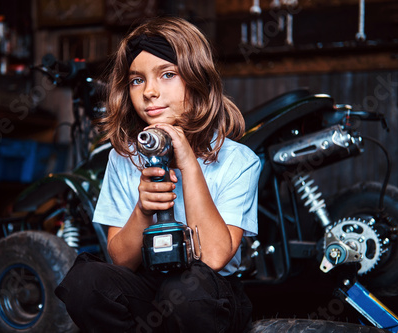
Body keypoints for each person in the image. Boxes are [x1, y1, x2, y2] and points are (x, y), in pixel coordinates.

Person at [55, 16, 261, 333]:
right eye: (137, 80)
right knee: (85, 283)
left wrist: (189, 163)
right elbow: (121, 261)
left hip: (209, 296)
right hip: (149, 290)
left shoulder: (239, 160)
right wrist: (142, 209)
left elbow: (216, 256)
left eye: (167, 75)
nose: (150, 91)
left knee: (186, 291)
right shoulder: (123, 159)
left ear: (197, 80)